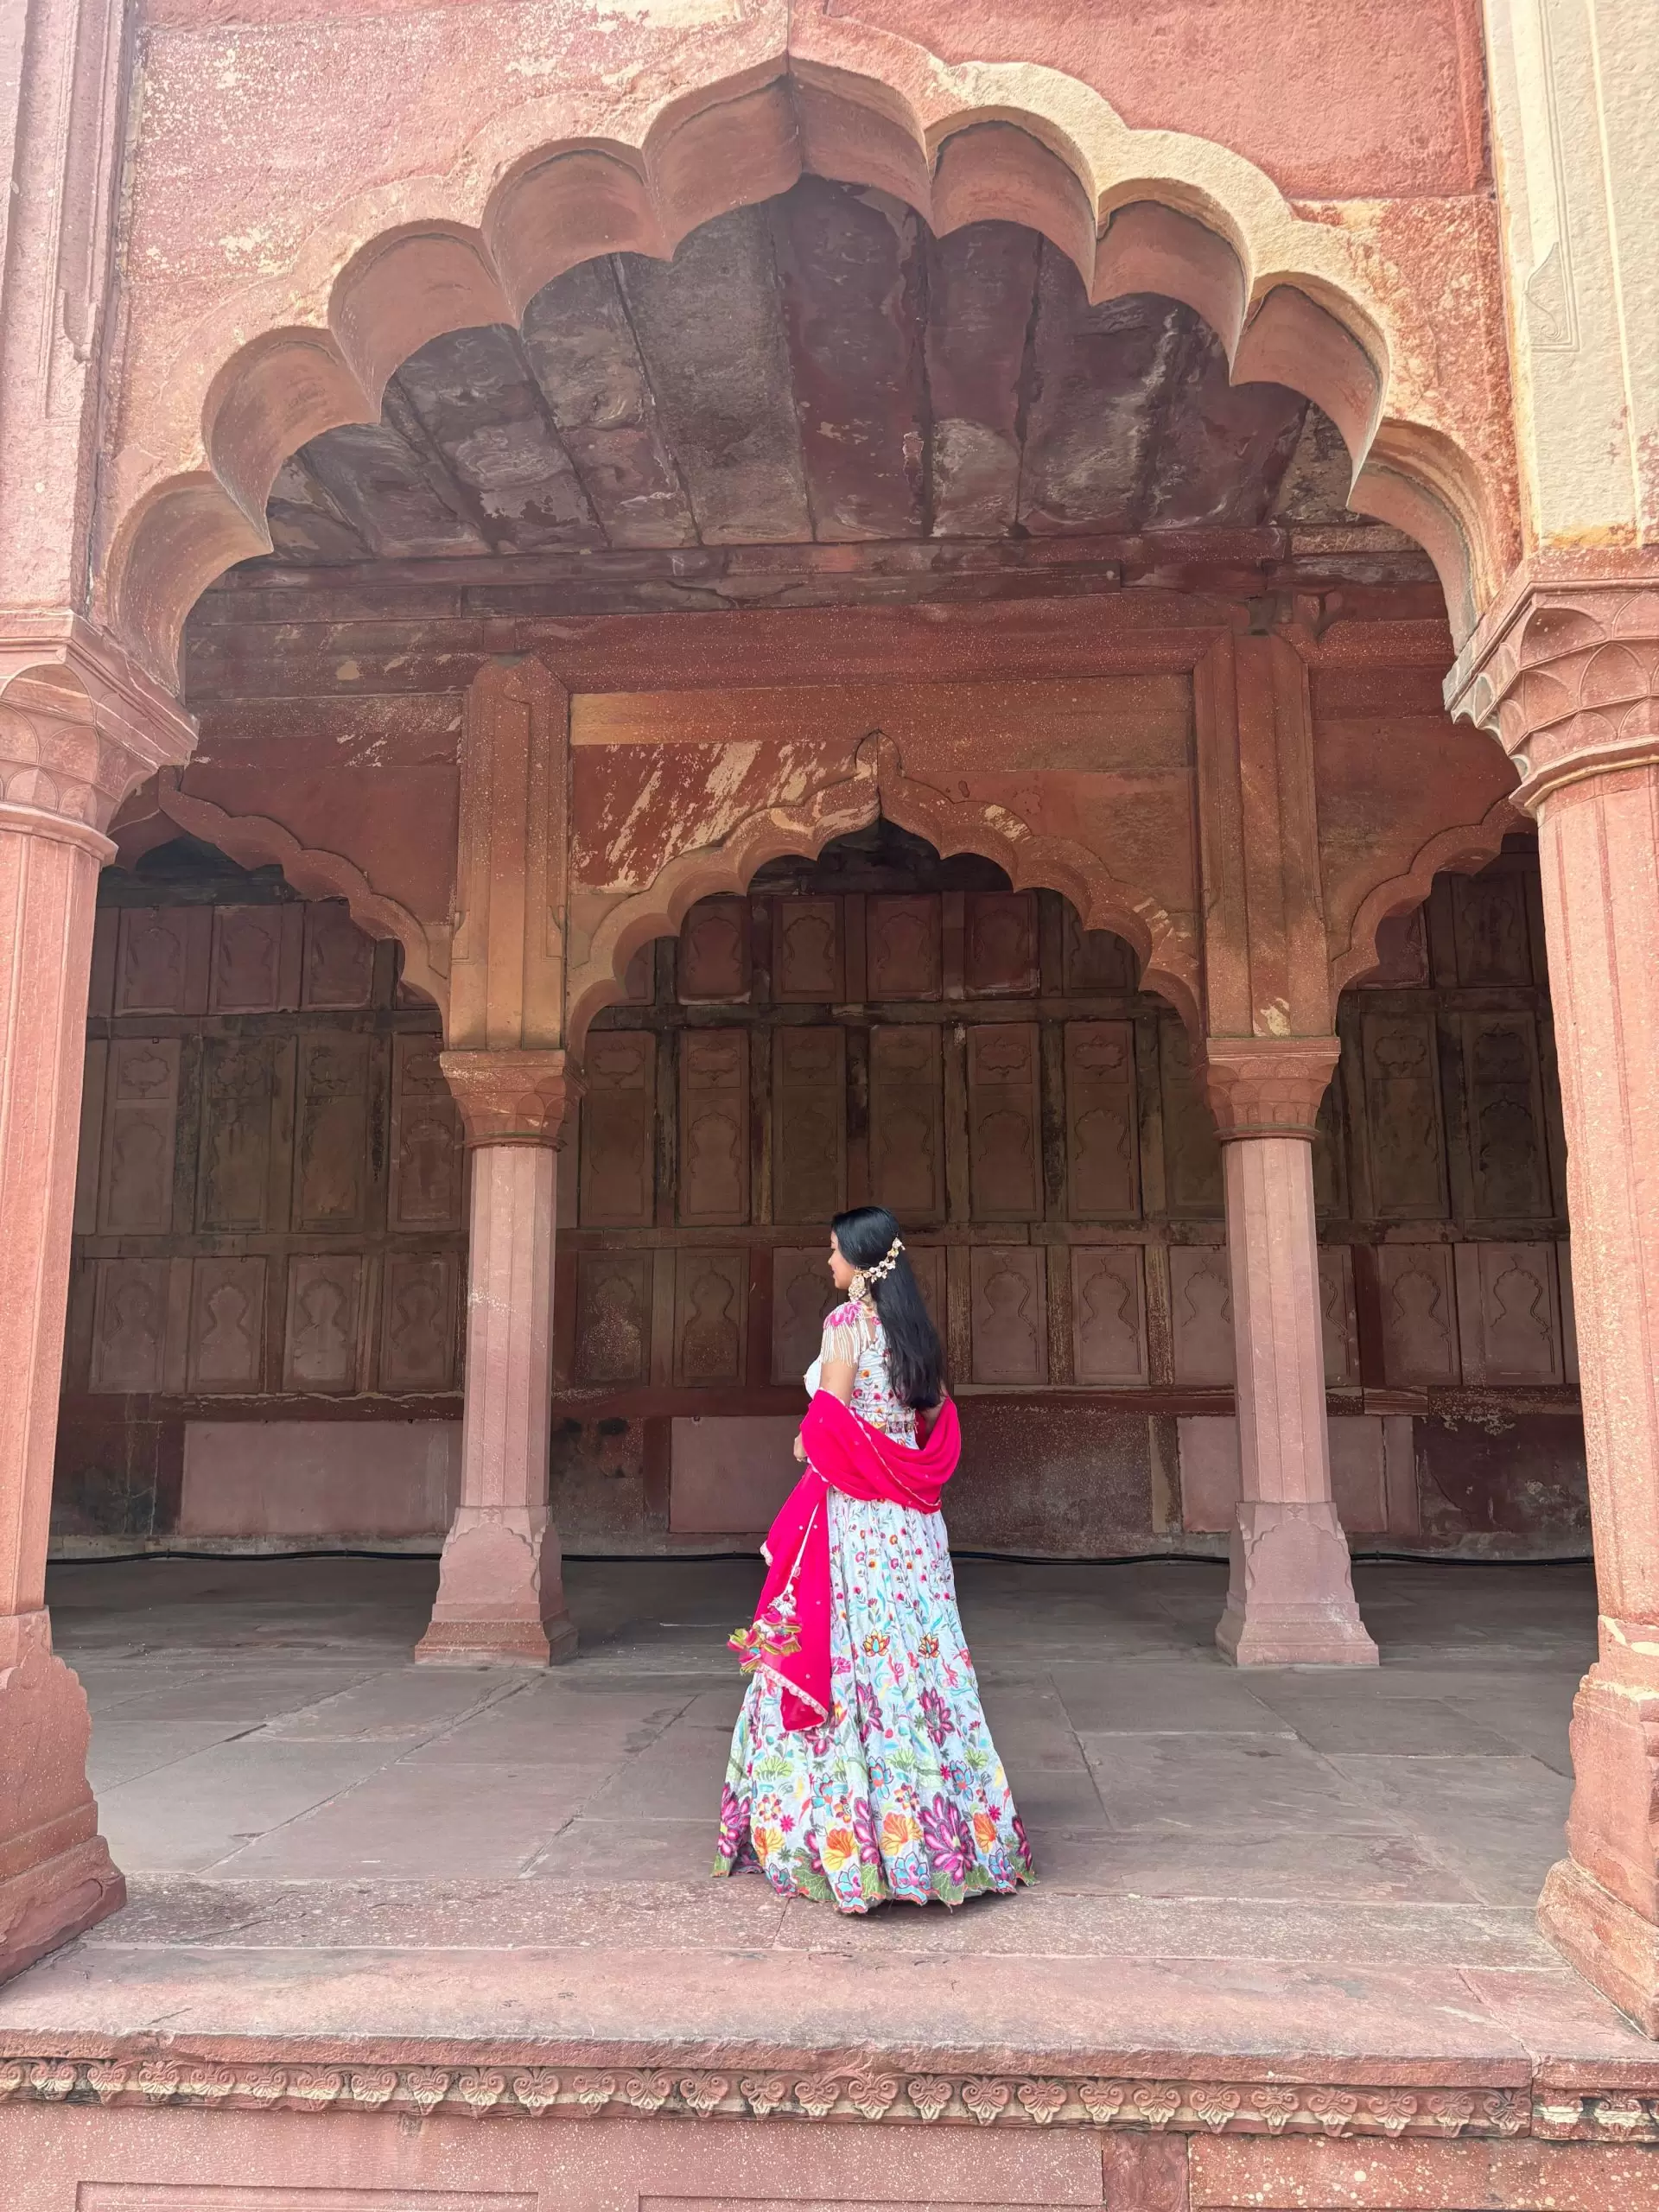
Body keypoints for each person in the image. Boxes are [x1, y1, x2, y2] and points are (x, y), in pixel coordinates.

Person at [714, 1205, 1032, 1911]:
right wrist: (886, 1449)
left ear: (860, 1260)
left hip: (856, 1519)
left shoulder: (845, 1325)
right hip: (912, 1526)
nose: (828, 1264)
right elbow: (932, 1418)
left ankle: (849, 1845)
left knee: (849, 1655)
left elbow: (828, 1416)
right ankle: (948, 1836)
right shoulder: (913, 1330)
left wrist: (805, 1445)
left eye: (832, 1253)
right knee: (920, 1660)